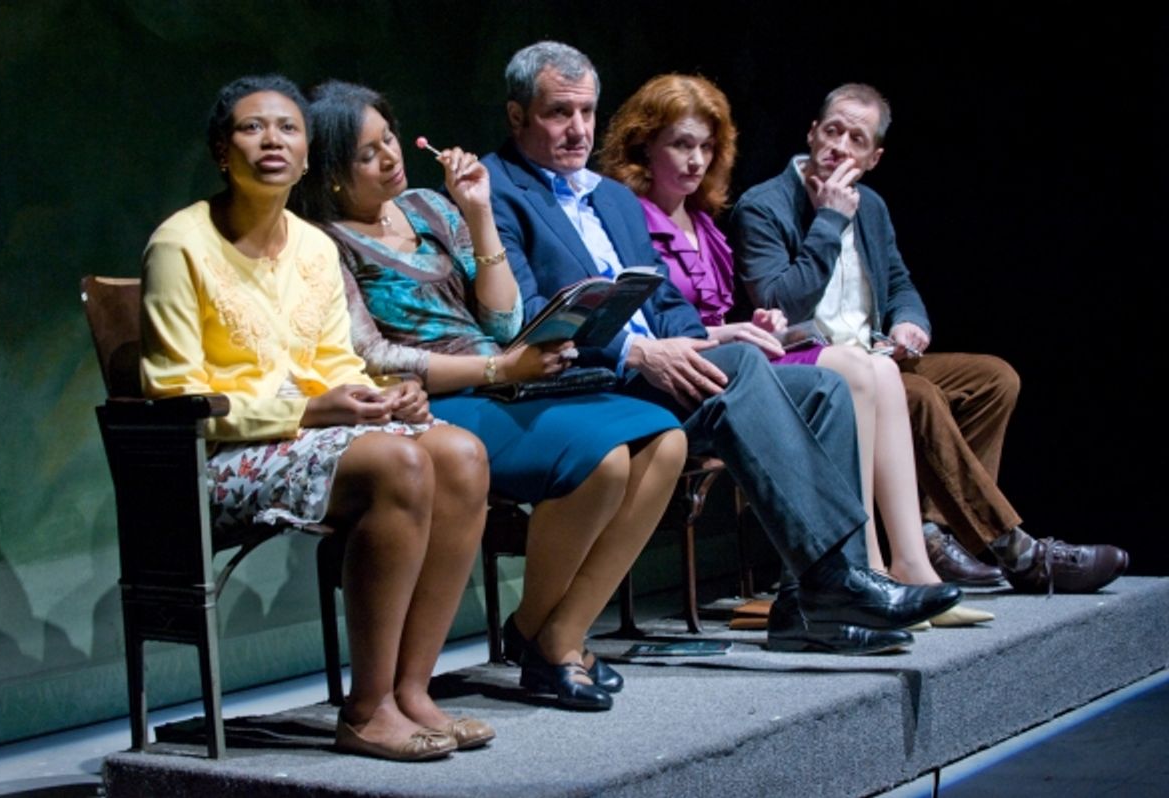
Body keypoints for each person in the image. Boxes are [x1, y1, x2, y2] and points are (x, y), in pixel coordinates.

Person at [482, 41, 963, 656]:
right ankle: (837, 580)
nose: (577, 130)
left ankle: (804, 605)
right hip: (589, 384)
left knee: (823, 386)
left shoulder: (610, 198)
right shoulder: (498, 191)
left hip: (662, 374)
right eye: (558, 113)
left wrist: (713, 333)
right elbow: (524, 319)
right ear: (518, 116)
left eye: (586, 112)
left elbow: (667, 307)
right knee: (740, 369)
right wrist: (639, 355)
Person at [291, 80, 687, 711]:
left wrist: (476, 211)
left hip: (505, 374)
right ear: (334, 170)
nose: (390, 156)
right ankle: (547, 644)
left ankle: (553, 632)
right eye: (368, 154)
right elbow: (374, 357)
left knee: (666, 438)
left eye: (389, 138)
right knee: (604, 458)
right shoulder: (325, 241)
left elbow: (501, 323)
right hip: (436, 401)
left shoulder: (430, 206)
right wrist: (499, 371)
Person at [139, 75, 492, 761]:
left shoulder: (312, 246)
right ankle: (366, 711)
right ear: (221, 150)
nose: (272, 139)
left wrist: (385, 397)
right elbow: (176, 399)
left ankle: (411, 689)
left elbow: (337, 361)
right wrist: (307, 409)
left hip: (321, 436)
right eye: (251, 127)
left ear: (305, 157)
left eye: (287, 128)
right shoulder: (180, 244)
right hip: (218, 456)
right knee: (400, 461)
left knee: (461, 453)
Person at [597, 74, 995, 632]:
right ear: (646, 145)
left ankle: (909, 564)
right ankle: (864, 567)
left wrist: (757, 325)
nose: (696, 160)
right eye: (682, 145)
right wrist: (824, 227)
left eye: (706, 147)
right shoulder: (644, 216)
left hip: (751, 356)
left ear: (874, 156)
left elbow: (886, 284)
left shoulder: (707, 220)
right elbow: (674, 319)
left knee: (887, 370)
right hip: (695, 374)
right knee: (856, 371)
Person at [730, 82, 1129, 593]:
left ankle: (933, 533)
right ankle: (1015, 548)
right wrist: (828, 220)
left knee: (993, 379)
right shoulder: (764, 207)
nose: (839, 147)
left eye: (856, 139)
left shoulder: (870, 206)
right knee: (919, 397)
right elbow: (780, 302)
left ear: (873, 157)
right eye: (832, 131)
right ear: (812, 132)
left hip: (876, 352)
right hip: (815, 364)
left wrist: (908, 322)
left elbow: (898, 282)